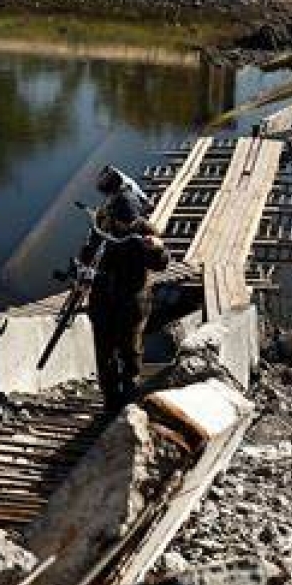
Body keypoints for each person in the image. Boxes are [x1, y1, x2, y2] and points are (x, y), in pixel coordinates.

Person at [87, 166, 170, 411]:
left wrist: (156, 248)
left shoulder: (143, 230)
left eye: (129, 222)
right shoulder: (103, 221)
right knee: (104, 351)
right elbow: (89, 248)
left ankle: (131, 393)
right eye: (121, 222)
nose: (124, 226)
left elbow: (162, 263)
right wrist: (82, 268)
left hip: (133, 298)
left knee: (131, 349)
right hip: (103, 296)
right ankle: (110, 400)